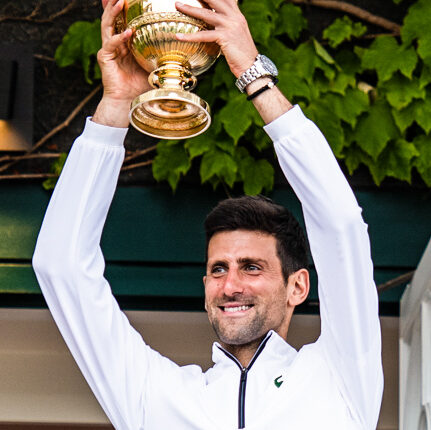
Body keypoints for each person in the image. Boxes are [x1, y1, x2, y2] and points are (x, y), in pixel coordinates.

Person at [32, 0, 384, 429]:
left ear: (298, 286)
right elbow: (60, 265)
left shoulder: (339, 376)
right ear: (204, 286)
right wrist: (116, 104)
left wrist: (254, 76)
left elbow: (341, 225)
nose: (230, 285)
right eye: (218, 269)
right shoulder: (156, 396)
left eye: (251, 267)